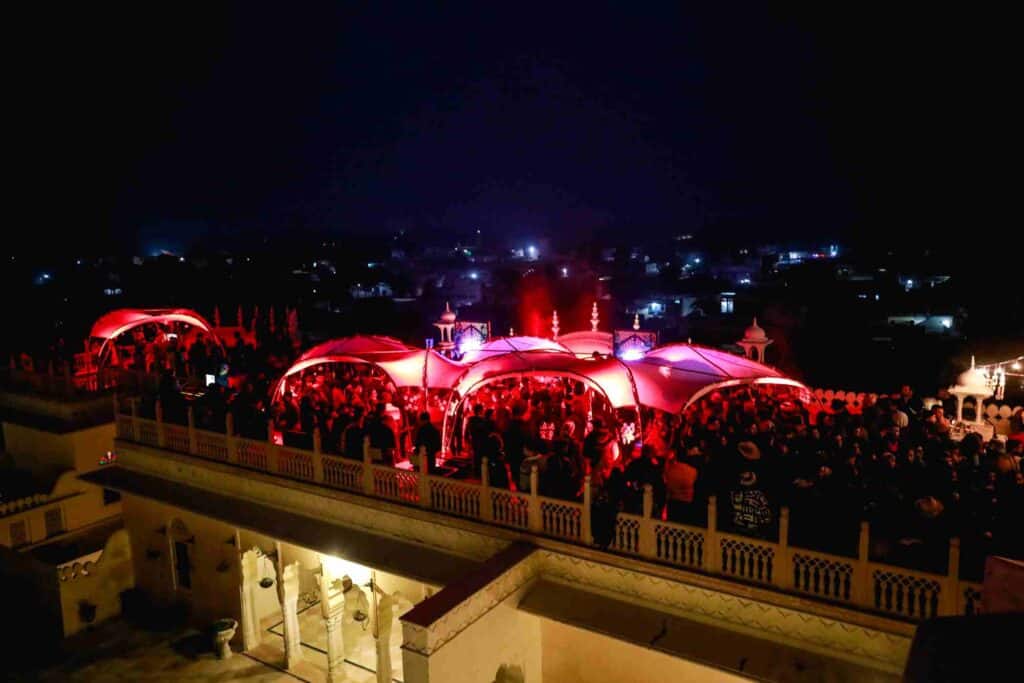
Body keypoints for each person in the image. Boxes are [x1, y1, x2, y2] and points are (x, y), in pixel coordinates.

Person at [340, 575, 369, 660]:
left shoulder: (359, 593)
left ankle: (355, 654)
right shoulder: (343, 594)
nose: (345, 585)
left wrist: (358, 614)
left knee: (355, 639)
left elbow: (365, 606)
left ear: (350, 582)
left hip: (355, 621)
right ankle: (349, 654)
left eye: (346, 583)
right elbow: (343, 607)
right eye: (344, 583)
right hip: (347, 622)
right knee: (348, 638)